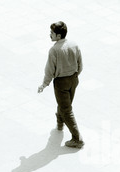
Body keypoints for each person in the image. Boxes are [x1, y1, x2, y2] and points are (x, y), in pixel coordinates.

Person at [38, 21, 84, 149]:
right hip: (74, 79)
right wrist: (75, 75)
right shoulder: (74, 45)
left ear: (58, 36)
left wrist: (44, 84)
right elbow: (80, 64)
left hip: (61, 82)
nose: (50, 35)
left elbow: (49, 70)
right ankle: (60, 123)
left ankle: (77, 139)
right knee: (65, 104)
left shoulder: (54, 50)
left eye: (52, 33)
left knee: (66, 109)